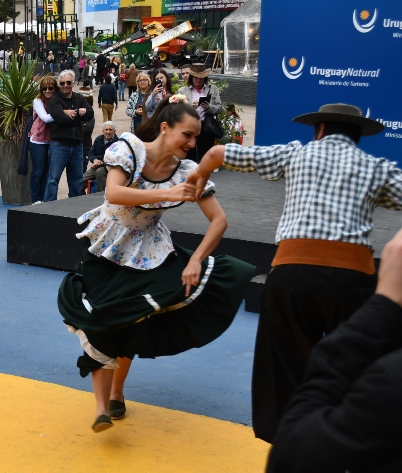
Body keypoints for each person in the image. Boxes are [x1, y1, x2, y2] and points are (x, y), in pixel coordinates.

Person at [190, 103, 402, 443]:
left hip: (293, 274)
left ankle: (289, 447)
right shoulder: (375, 168)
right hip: (352, 280)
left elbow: (216, 154)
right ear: (357, 137)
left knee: (283, 371)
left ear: (319, 130)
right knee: (353, 369)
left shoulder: (296, 155)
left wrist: (197, 177)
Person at [58, 94, 254, 433]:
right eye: (187, 135)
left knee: (133, 319)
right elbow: (115, 194)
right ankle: (102, 408)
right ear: (165, 128)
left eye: (196, 137)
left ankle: (116, 394)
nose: (192, 143)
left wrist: (195, 259)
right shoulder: (130, 149)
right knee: (103, 318)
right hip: (108, 242)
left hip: (150, 249)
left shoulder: (189, 172)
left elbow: (219, 221)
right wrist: (166, 195)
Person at [266, 228, 402, 472]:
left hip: (292, 269)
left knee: (290, 366)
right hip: (352, 273)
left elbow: (293, 457)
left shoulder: (391, 380)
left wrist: (385, 306)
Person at [44, 70, 94, 202]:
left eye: (68, 82)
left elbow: (90, 113)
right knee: (53, 180)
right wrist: (79, 115)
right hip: (59, 145)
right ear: (59, 85)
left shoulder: (79, 98)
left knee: (76, 181)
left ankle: (74, 208)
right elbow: (60, 119)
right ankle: (48, 209)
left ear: (73, 83)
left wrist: (73, 113)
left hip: (77, 146)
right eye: (62, 83)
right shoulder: (54, 100)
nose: (65, 85)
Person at [177, 63, 222, 163]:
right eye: (196, 78)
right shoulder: (182, 91)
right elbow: (177, 111)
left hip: (205, 128)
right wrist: (190, 107)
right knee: (189, 158)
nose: (198, 80)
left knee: (205, 158)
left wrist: (209, 107)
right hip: (189, 127)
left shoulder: (213, 89)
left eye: (201, 78)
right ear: (191, 77)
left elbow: (219, 109)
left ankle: (204, 177)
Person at [28, 76, 57, 204]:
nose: (47, 91)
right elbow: (45, 118)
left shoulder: (57, 100)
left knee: (47, 172)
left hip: (51, 140)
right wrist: (63, 113)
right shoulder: (38, 100)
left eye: (50, 88)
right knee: (38, 171)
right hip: (38, 140)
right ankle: (35, 198)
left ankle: (44, 198)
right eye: (44, 88)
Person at [82, 121, 120, 193]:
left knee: (99, 172)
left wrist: (100, 162)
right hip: (96, 165)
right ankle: (79, 198)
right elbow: (91, 152)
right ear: (103, 131)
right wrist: (94, 160)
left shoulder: (118, 143)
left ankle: (101, 196)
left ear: (114, 131)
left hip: (109, 167)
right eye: (106, 130)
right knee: (81, 180)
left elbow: (114, 159)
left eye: (110, 130)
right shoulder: (99, 139)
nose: (108, 132)